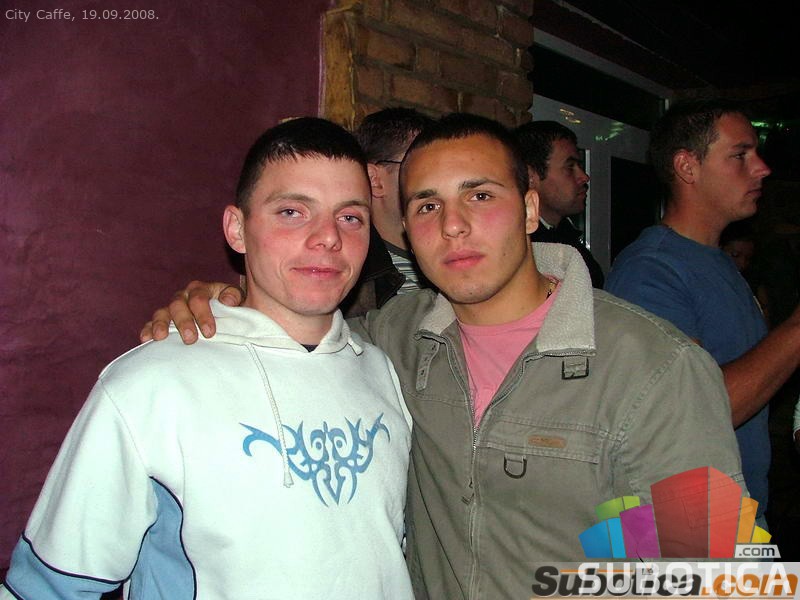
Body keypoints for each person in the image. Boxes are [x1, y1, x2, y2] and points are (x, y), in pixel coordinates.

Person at [141, 113, 745, 599]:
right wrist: (224, 303)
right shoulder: (392, 340)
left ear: (529, 210)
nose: (453, 226)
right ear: (406, 229)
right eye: (428, 206)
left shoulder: (653, 369)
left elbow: (704, 573)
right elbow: (292, 327)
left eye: (479, 195)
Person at [0, 118, 414, 599]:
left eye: (350, 218)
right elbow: (48, 588)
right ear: (237, 229)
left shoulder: (382, 372)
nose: (328, 237)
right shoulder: (150, 384)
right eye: (292, 212)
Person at [606, 98, 800, 529]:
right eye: (740, 155)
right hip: (686, 529)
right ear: (687, 167)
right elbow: (695, 413)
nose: (762, 168)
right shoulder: (651, 271)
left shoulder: (718, 262)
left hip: (737, 516)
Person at [339, 107, 435, 316]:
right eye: (418, 165)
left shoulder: (450, 252)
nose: (434, 178)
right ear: (374, 180)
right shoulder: (345, 269)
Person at [514, 120, 605, 287]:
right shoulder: (520, 249)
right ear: (530, 177)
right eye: (570, 167)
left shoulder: (565, 235)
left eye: (580, 166)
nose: (584, 177)